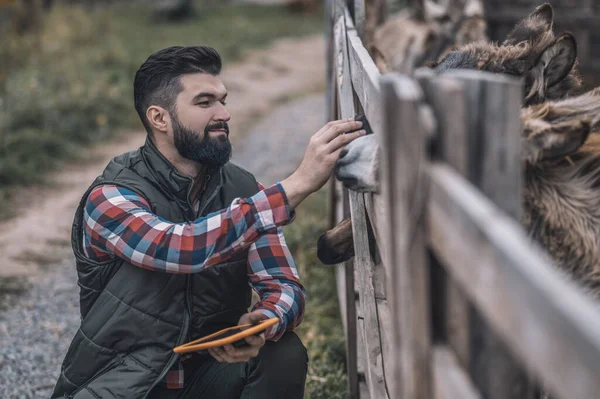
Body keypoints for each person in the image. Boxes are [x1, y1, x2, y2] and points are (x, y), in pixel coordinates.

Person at [51, 45, 365, 399]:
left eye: (223, 100)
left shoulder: (243, 190)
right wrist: (296, 186)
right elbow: (182, 248)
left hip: (206, 378)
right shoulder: (111, 197)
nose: (224, 114)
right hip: (127, 386)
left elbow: (285, 286)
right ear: (159, 118)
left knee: (281, 352)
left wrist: (265, 320)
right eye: (205, 103)